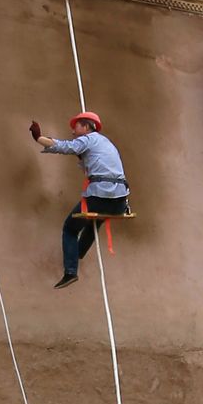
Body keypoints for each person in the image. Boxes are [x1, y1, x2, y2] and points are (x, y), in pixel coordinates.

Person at [30, 112, 129, 289]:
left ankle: (70, 271)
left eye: (75, 127)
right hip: (119, 202)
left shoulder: (89, 139)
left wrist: (39, 138)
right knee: (93, 222)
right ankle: (76, 254)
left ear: (86, 126)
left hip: (100, 196)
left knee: (69, 228)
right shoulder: (106, 143)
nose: (73, 132)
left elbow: (66, 147)